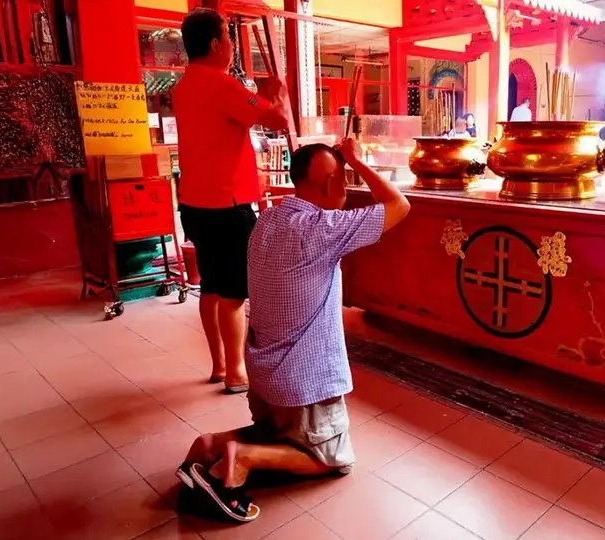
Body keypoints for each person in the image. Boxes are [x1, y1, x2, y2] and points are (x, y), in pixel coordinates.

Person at [175, 139, 411, 522]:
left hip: (265, 379)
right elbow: (399, 206)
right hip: (305, 382)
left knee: (276, 434)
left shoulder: (268, 219)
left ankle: (209, 447)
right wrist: (356, 160)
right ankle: (240, 461)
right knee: (333, 457)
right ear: (331, 184)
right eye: (342, 179)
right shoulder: (322, 227)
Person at [173, 8, 289, 394]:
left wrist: (259, 99)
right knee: (235, 292)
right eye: (228, 38)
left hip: (194, 203)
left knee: (211, 285)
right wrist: (277, 95)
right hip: (228, 204)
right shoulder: (222, 85)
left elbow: (241, 115)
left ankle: (220, 365)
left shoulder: (184, 85)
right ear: (214, 44)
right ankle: (238, 372)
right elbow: (277, 121)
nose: (231, 46)